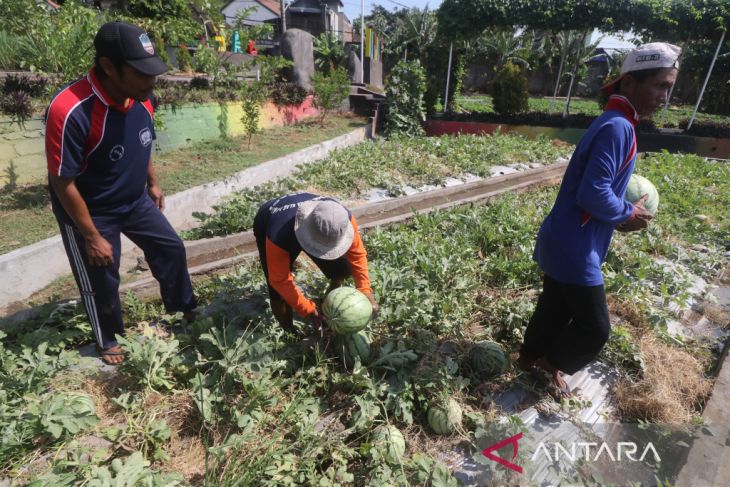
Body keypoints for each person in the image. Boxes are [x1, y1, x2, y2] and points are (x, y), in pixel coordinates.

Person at [517, 43, 681, 398]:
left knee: (555, 306)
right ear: (628, 85)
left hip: (562, 236)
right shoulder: (618, 127)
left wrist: (618, 214)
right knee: (595, 328)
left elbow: (594, 192)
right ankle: (549, 368)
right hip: (577, 247)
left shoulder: (613, 121)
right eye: (659, 85)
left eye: (669, 87)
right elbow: (593, 194)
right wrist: (627, 212)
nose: (664, 97)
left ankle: (528, 357)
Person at [45, 22, 197, 365]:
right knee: (103, 275)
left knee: (170, 248)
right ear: (109, 67)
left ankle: (182, 310)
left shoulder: (142, 96)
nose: (151, 80)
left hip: (133, 199)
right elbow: (62, 182)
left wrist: (152, 182)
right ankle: (109, 337)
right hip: (90, 209)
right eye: (142, 73)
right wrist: (90, 235)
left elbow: (141, 142)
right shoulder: (69, 110)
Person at [253, 193, 378, 333]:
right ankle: (288, 331)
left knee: (343, 269)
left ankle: (329, 302)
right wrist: (308, 310)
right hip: (270, 221)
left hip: (311, 225)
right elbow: (279, 280)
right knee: (277, 291)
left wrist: (365, 289)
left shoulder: (343, 219)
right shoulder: (278, 235)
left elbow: (357, 255)